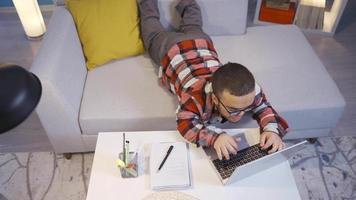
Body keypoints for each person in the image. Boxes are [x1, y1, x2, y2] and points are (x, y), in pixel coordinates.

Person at [138, 0, 289, 160]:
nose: (241, 115)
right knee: (150, 25)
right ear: (215, 98)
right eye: (234, 110)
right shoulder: (194, 96)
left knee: (193, 22)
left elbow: (263, 107)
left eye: (247, 108)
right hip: (169, 47)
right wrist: (214, 138)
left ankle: (187, 3)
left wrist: (272, 130)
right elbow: (185, 124)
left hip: (200, 40)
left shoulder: (250, 89)